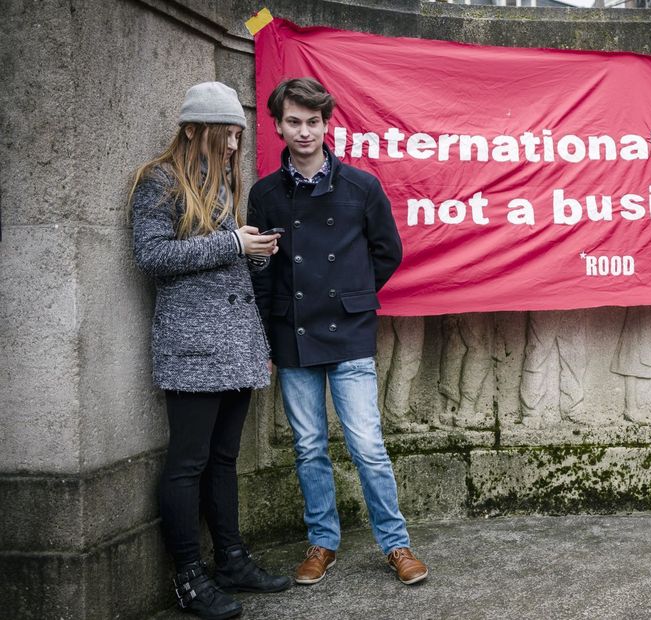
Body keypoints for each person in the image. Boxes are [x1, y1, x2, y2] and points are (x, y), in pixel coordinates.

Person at [248, 78, 428, 586]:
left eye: (312, 122)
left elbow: (387, 252)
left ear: (327, 125)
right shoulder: (264, 194)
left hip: (348, 332)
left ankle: (396, 545)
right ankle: (322, 543)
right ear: (278, 126)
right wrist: (263, 340)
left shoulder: (361, 187)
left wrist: (351, 294)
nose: (303, 131)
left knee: (368, 444)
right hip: (293, 333)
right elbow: (260, 272)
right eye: (293, 122)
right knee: (309, 446)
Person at [130, 81, 291, 619]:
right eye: (225, 135)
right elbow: (151, 256)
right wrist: (232, 243)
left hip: (236, 345)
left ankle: (231, 559)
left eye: (238, 137)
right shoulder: (158, 181)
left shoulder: (222, 184)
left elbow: (222, 263)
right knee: (188, 463)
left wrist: (255, 252)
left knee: (223, 460)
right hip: (194, 349)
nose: (232, 147)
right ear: (194, 129)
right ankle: (188, 576)